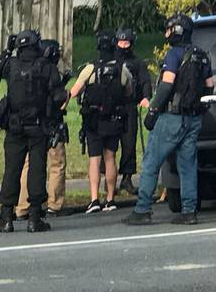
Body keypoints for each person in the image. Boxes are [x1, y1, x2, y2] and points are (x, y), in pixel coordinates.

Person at [124, 14, 214, 225]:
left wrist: (153, 111)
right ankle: (189, 210)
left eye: (169, 30)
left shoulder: (173, 55)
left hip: (172, 117)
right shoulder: (202, 56)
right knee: (188, 166)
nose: (166, 34)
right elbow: (210, 85)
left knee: (151, 162)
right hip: (193, 119)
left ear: (177, 31)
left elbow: (166, 85)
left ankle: (143, 209)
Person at [0, 30, 68, 233]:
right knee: (37, 170)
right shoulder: (46, 66)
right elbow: (59, 96)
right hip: (38, 126)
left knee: (12, 170)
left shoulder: (11, 64)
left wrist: (7, 51)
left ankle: (6, 217)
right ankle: (35, 217)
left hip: (14, 126)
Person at [69, 30, 133, 214]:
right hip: (114, 120)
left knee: (94, 160)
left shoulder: (90, 69)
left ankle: (94, 199)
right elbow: (128, 92)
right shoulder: (122, 69)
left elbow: (74, 92)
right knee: (111, 158)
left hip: (93, 121)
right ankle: (111, 198)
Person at [15, 39, 71, 219]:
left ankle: (23, 205)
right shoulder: (50, 72)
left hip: (34, 125)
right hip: (53, 125)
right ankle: (54, 205)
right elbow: (60, 102)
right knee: (57, 164)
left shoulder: (31, 71)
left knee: (29, 165)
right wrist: (67, 94)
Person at [112, 28, 152, 195]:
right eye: (121, 43)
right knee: (110, 146)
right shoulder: (111, 61)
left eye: (126, 43)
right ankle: (110, 181)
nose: (123, 46)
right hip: (112, 107)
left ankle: (127, 179)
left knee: (129, 144)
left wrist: (146, 97)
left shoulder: (137, 63)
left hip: (129, 107)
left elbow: (145, 82)